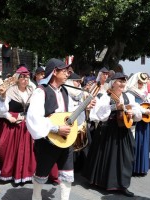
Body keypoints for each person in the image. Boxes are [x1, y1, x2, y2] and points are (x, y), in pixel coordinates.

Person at [26, 58, 95, 200]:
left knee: (67, 174)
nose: (67, 74)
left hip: (66, 141)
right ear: (55, 72)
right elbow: (34, 118)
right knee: (41, 173)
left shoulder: (64, 91)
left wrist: (84, 108)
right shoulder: (41, 92)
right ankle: (36, 196)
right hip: (48, 140)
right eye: (64, 71)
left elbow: (69, 115)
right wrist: (56, 129)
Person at [83, 72, 142, 197]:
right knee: (104, 155)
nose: (122, 83)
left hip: (123, 130)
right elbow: (98, 114)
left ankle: (123, 185)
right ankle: (98, 181)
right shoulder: (106, 96)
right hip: (108, 130)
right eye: (120, 81)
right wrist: (114, 107)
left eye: (124, 81)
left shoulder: (128, 97)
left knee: (126, 157)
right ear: (113, 83)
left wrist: (132, 113)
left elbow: (136, 109)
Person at [0, 66, 36, 184]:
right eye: (22, 77)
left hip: (26, 123)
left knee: (26, 150)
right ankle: (11, 173)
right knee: (11, 150)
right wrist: (9, 117)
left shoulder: (31, 90)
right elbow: (0, 110)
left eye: (27, 77)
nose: (25, 79)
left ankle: (24, 173)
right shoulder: (9, 91)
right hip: (12, 124)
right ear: (17, 78)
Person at [126, 72, 150, 176]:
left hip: (144, 122)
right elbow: (133, 106)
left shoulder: (143, 93)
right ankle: (133, 167)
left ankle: (140, 167)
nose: (141, 85)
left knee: (142, 145)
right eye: (139, 82)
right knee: (135, 144)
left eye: (143, 83)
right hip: (136, 122)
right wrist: (144, 111)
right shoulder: (130, 92)